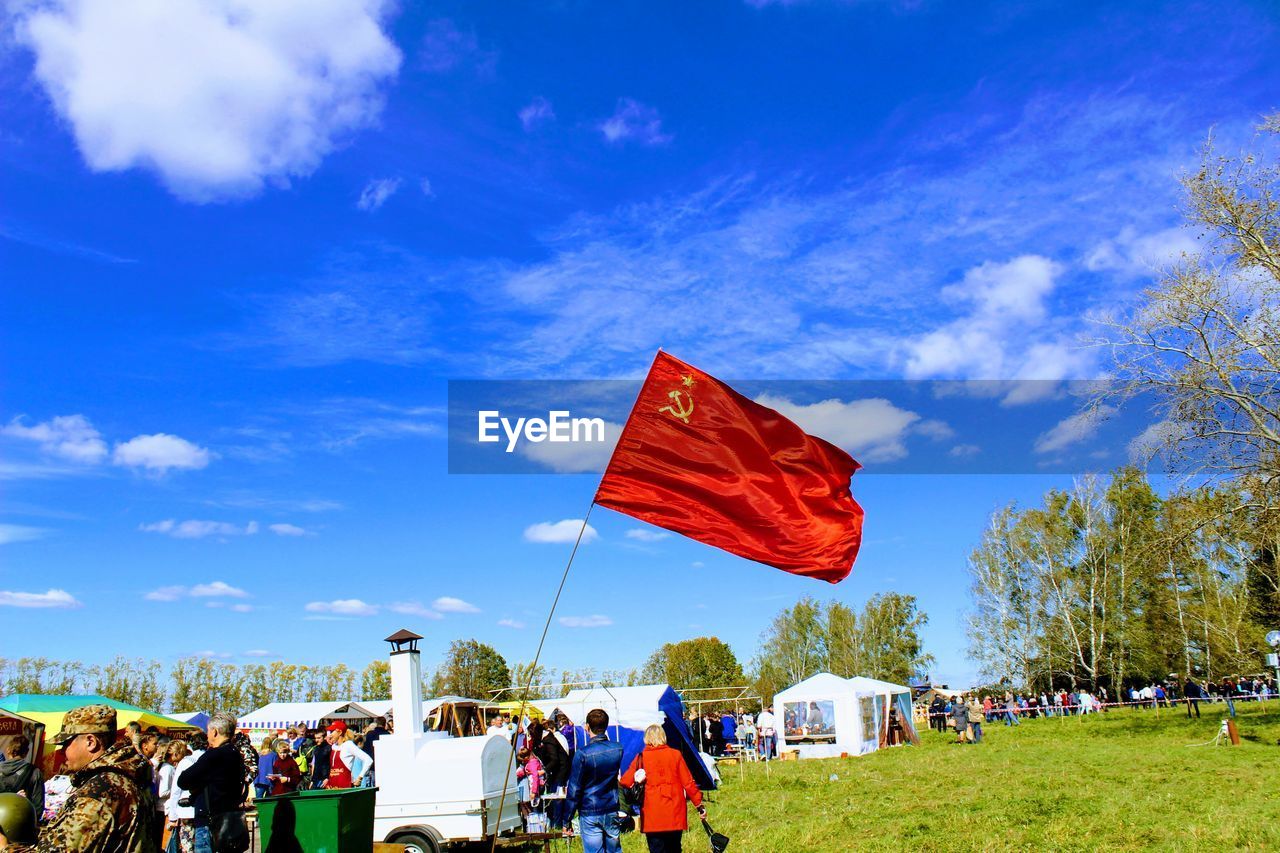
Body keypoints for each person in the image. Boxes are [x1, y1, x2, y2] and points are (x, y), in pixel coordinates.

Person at [0, 703, 156, 852]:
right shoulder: (125, 779)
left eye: (66, 743)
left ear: (90, 742)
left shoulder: (101, 792)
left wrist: (4, 846)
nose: (62, 751)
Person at [619, 724, 706, 853]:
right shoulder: (675, 755)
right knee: (675, 848)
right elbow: (688, 783)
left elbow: (625, 781)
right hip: (674, 812)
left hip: (652, 814)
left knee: (656, 849)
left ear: (646, 739)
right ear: (663, 737)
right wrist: (699, 805)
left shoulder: (641, 758)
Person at [176, 712, 248, 853]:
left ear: (214, 732)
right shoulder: (235, 754)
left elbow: (183, 781)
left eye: (208, 731)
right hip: (231, 820)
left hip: (211, 822)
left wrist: (197, 785)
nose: (207, 735)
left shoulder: (214, 755)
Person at [565, 709, 624, 853]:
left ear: (587, 727)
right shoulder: (618, 749)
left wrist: (567, 819)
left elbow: (574, 788)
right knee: (615, 850)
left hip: (589, 810)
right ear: (606, 725)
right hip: (610, 807)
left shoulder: (582, 753)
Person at [0, 736, 44, 822]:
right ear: (26, 752)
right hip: (21, 827)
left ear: (8, 750)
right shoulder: (34, 772)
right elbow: (38, 810)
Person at [156, 740, 188, 850]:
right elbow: (163, 792)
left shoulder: (169, 767)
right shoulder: (167, 769)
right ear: (175, 754)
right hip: (164, 809)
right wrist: (178, 790)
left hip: (167, 809)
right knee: (166, 844)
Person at [321, 723, 371, 789]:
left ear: (340, 732)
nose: (330, 734)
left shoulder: (348, 745)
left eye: (332, 731)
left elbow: (369, 760)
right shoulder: (333, 746)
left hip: (345, 787)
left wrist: (360, 778)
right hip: (332, 786)